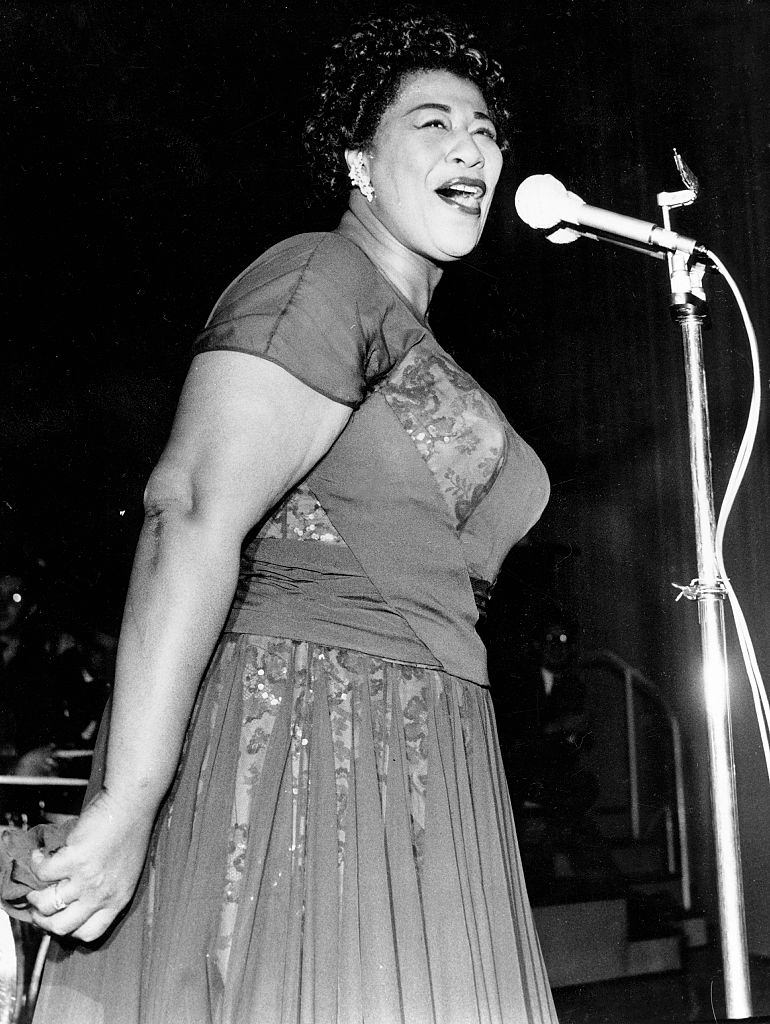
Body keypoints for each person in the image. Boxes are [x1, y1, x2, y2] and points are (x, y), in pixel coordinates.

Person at [26, 12, 557, 1023]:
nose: (471, 148)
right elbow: (187, 511)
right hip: (311, 741)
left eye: (485, 130)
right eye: (432, 123)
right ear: (358, 161)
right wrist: (130, 800)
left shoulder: (410, 329)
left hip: (431, 743)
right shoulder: (318, 278)